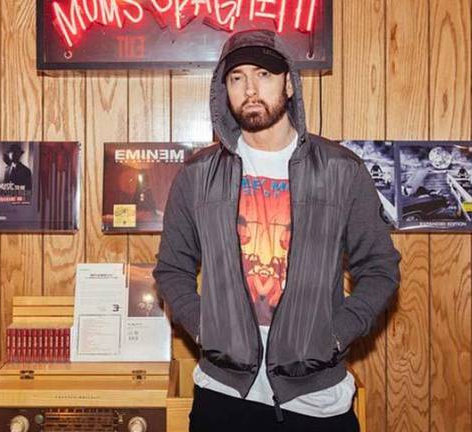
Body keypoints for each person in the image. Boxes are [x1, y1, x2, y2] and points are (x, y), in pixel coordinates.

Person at [153, 29, 401, 432]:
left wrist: (336, 335)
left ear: (288, 84)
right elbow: (171, 269)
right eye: (237, 78)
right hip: (223, 394)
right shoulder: (198, 175)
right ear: (224, 90)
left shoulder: (341, 170)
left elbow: (380, 267)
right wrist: (204, 328)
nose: (250, 89)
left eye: (264, 74)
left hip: (316, 399)